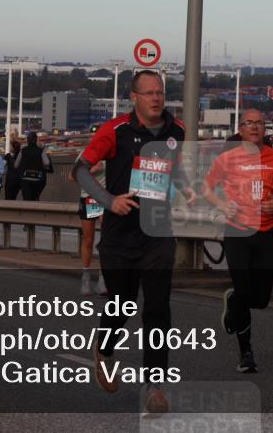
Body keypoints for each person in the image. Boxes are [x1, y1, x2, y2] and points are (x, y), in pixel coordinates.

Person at [72, 70, 196, 414]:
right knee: (123, 306)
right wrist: (110, 200)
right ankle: (105, 348)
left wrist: (186, 186)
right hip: (119, 236)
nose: (157, 98)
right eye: (149, 93)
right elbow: (80, 170)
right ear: (134, 97)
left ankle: (155, 386)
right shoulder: (115, 131)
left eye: (160, 92)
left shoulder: (178, 131)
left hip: (157, 233)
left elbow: (175, 167)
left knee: (157, 309)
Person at [203, 109, 273, 373]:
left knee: (261, 299)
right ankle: (246, 354)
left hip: (265, 233)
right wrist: (222, 203)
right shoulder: (227, 159)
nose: (254, 127)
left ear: (264, 128)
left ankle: (233, 300)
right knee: (245, 292)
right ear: (241, 129)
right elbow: (207, 188)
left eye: (259, 123)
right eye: (249, 123)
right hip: (236, 232)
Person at [77, 161, 107, 296]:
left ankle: (102, 281)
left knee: (106, 240)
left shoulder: (114, 153)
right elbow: (72, 177)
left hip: (106, 198)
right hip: (89, 197)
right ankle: (86, 278)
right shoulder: (87, 154)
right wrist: (92, 170)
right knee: (88, 240)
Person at [15, 132, 53, 201]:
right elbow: (47, 163)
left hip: (25, 179)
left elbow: (16, 165)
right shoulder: (41, 151)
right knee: (35, 198)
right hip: (38, 179)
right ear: (36, 140)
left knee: (27, 200)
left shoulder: (23, 151)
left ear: (27, 140)